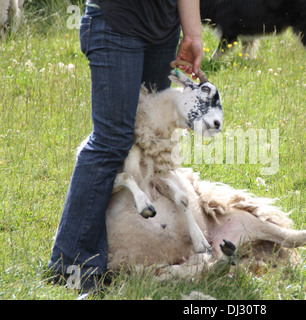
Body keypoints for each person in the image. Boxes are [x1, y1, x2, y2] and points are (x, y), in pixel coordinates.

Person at [48, 0, 203, 294]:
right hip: (116, 22)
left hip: (163, 32)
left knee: (147, 137)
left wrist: (192, 33)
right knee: (112, 141)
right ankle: (71, 265)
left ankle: (128, 249)